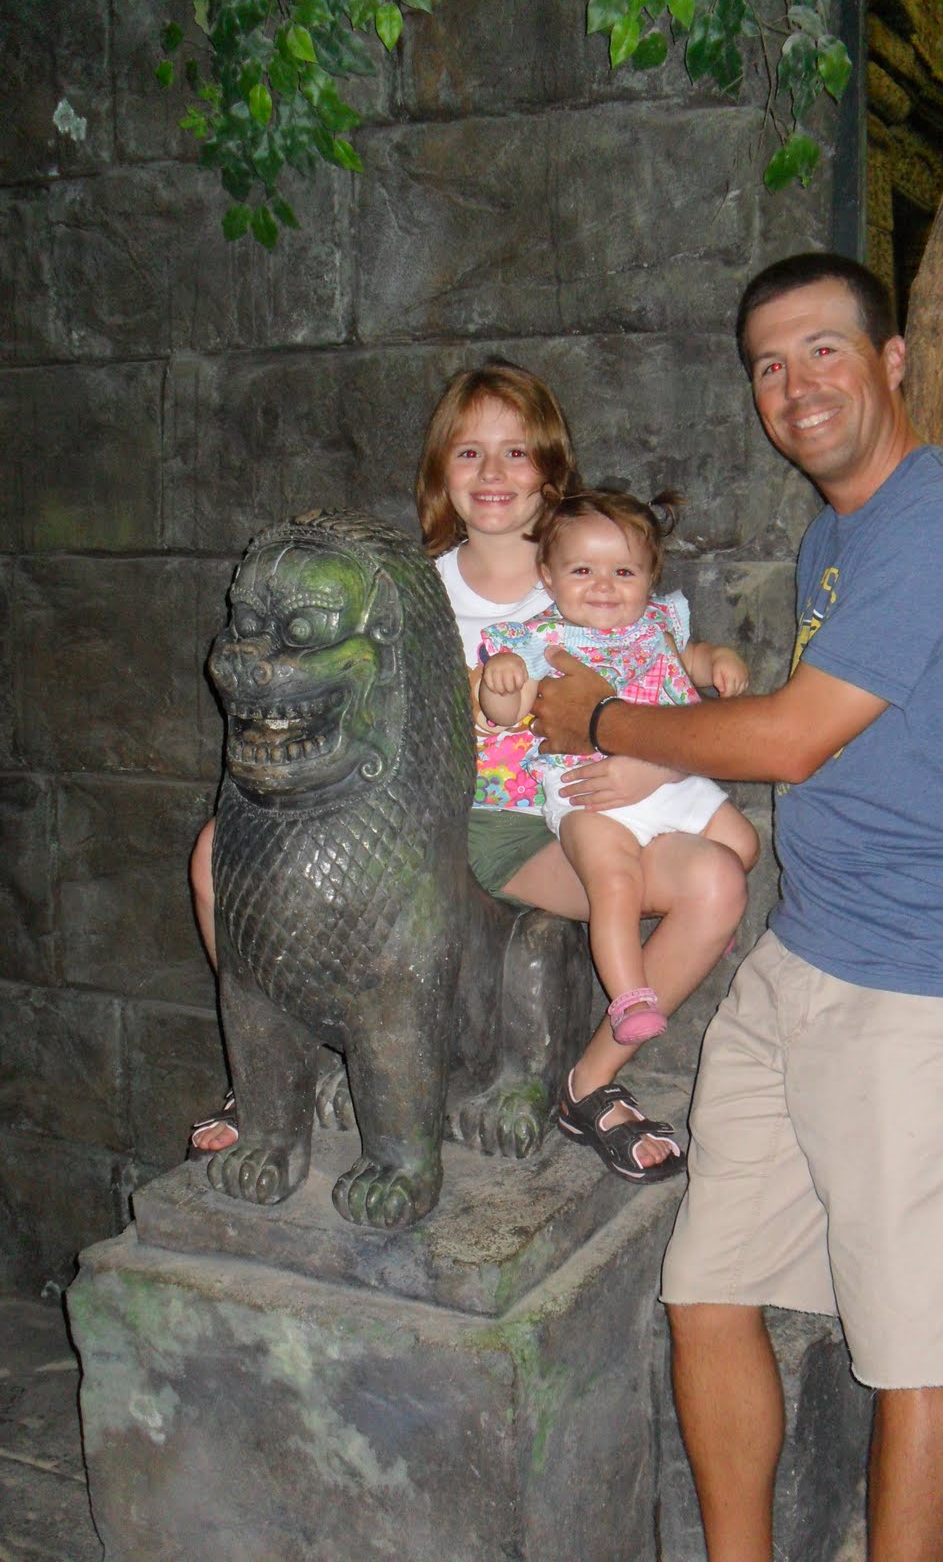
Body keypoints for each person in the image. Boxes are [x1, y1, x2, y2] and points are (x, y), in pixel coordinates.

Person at [531, 253, 943, 1560]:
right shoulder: (839, 534)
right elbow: (801, 728)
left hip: (925, 980)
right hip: (806, 951)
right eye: (767, 364)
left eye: (822, 349)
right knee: (705, 1285)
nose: (794, 385)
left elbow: (791, 737)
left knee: (915, 1347)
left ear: (888, 361)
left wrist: (602, 718)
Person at [192, 360, 752, 1182]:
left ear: (551, 468)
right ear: (439, 471)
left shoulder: (595, 578)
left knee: (717, 880)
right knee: (218, 854)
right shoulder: (400, 591)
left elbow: (670, 685)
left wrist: (651, 766)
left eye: (516, 452)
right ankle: (275, 1070)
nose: (492, 473)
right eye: (468, 452)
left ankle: (589, 1082)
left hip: (559, 824)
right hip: (419, 826)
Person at [479, 488, 757, 1059]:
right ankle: (630, 997)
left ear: (650, 579)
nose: (604, 586)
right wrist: (500, 681)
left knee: (742, 843)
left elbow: (690, 659)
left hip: (671, 777)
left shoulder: (656, 625)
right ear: (548, 576)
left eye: (624, 572)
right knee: (614, 883)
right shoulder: (538, 641)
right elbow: (507, 715)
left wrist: (718, 661)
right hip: (589, 793)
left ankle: (699, 926)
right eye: (582, 570)